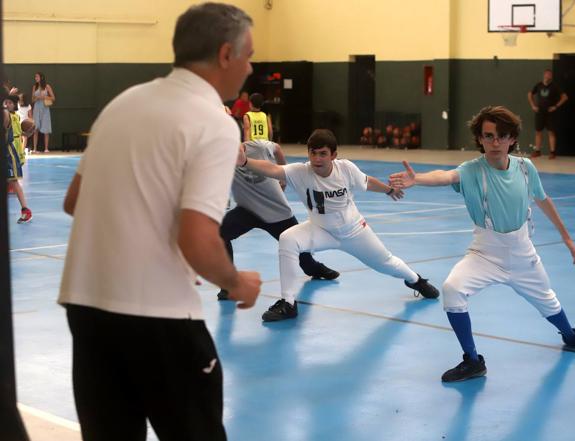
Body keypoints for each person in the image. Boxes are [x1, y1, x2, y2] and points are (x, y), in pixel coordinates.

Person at [58, 4, 261, 440]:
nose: (251, 67)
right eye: (248, 55)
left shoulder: (123, 103)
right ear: (226, 55)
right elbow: (198, 238)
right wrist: (236, 282)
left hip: (86, 306)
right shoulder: (215, 124)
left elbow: (75, 201)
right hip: (159, 316)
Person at [389, 106, 575, 383]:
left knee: (547, 301)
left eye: (502, 136)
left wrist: (565, 236)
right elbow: (445, 176)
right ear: (479, 139)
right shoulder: (470, 171)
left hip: (522, 253)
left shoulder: (526, 168)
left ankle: (570, 335)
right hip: (485, 253)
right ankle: (472, 360)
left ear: (512, 139)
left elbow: (543, 199)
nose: (495, 143)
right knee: (452, 290)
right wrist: (417, 179)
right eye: (488, 136)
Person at [238, 128, 439, 322]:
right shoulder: (300, 171)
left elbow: (367, 182)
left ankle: (416, 280)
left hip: (354, 232)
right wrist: (245, 161)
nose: (317, 159)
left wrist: (389, 190)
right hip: (320, 230)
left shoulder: (346, 169)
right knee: (288, 239)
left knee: (386, 263)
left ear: (334, 154)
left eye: (323, 154)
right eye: (313, 153)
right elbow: (272, 169)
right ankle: (288, 303)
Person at [217, 138, 339, 300]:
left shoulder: (258, 147)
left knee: (302, 254)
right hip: (247, 210)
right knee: (219, 236)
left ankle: (314, 268)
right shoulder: (218, 158)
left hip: (276, 211)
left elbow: (277, 149)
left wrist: (284, 175)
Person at [528, 69, 567, 159]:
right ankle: (537, 151)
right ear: (544, 75)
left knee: (551, 132)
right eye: (547, 74)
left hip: (550, 112)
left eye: (550, 75)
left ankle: (552, 152)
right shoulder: (538, 85)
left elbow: (564, 97)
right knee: (538, 131)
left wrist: (555, 106)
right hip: (540, 112)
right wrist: (533, 105)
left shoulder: (555, 86)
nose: (548, 76)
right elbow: (530, 94)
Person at [3, 104, 32, 223]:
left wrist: (28, 131)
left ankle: (26, 211)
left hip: (7, 154)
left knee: (14, 182)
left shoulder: (5, 113)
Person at [31, 72, 55, 153]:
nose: (36, 78)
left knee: (46, 129)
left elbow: (53, 98)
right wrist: (37, 98)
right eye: (35, 77)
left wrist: (45, 97)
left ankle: (46, 148)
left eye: (37, 76)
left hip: (45, 109)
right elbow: (32, 100)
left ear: (41, 77)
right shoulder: (34, 87)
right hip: (37, 108)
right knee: (35, 129)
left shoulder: (47, 86)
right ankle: (34, 148)